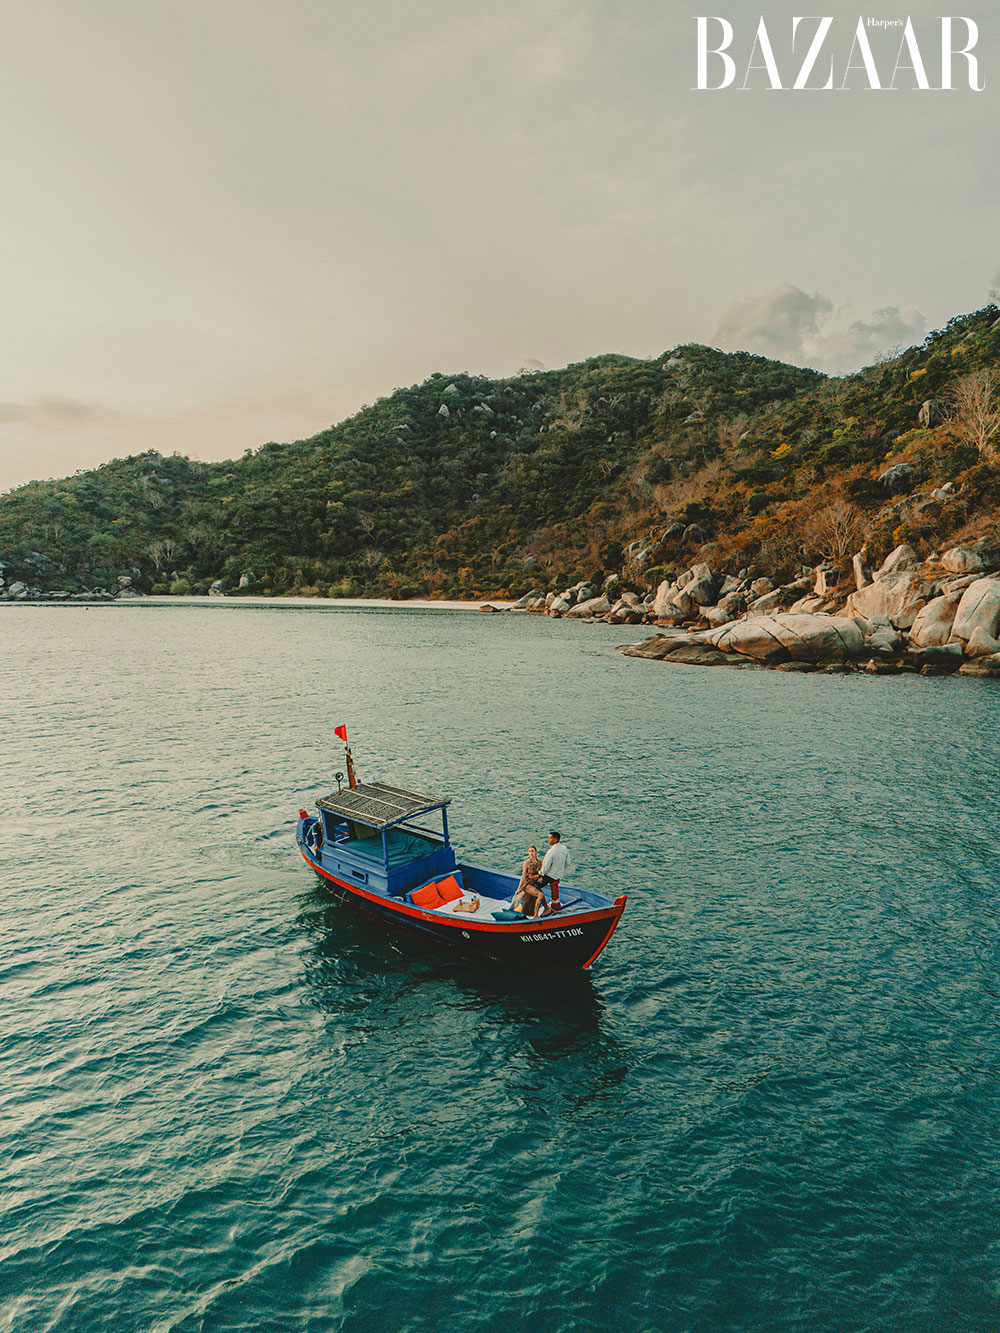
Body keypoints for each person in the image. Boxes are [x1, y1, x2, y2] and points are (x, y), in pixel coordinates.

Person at [512, 845, 548, 918]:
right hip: (527, 885)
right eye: (529, 851)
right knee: (540, 895)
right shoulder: (527, 863)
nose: (531, 853)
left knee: (539, 897)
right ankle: (536, 915)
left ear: (536, 852)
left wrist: (540, 877)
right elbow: (523, 876)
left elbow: (542, 873)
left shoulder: (539, 862)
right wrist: (519, 888)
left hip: (536, 884)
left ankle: (546, 909)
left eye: (532, 851)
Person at [539, 830, 571, 910]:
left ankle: (545, 907)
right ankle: (555, 905)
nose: (548, 840)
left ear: (555, 840)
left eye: (550, 838)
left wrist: (540, 874)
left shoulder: (551, 851)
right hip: (558, 875)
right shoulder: (564, 849)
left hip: (549, 876)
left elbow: (546, 866)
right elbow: (567, 863)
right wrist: (559, 871)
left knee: (534, 886)